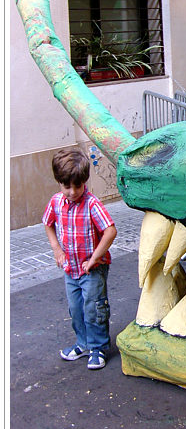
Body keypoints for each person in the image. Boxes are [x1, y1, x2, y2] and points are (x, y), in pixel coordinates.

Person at [43, 149, 117, 369]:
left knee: (94, 307)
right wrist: (57, 249)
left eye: (78, 185)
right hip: (71, 269)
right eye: (67, 186)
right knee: (76, 308)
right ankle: (83, 343)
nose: (73, 192)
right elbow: (47, 223)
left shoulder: (92, 204)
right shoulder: (56, 202)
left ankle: (98, 347)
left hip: (92, 269)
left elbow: (110, 231)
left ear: (85, 181)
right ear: (59, 182)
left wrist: (95, 258)